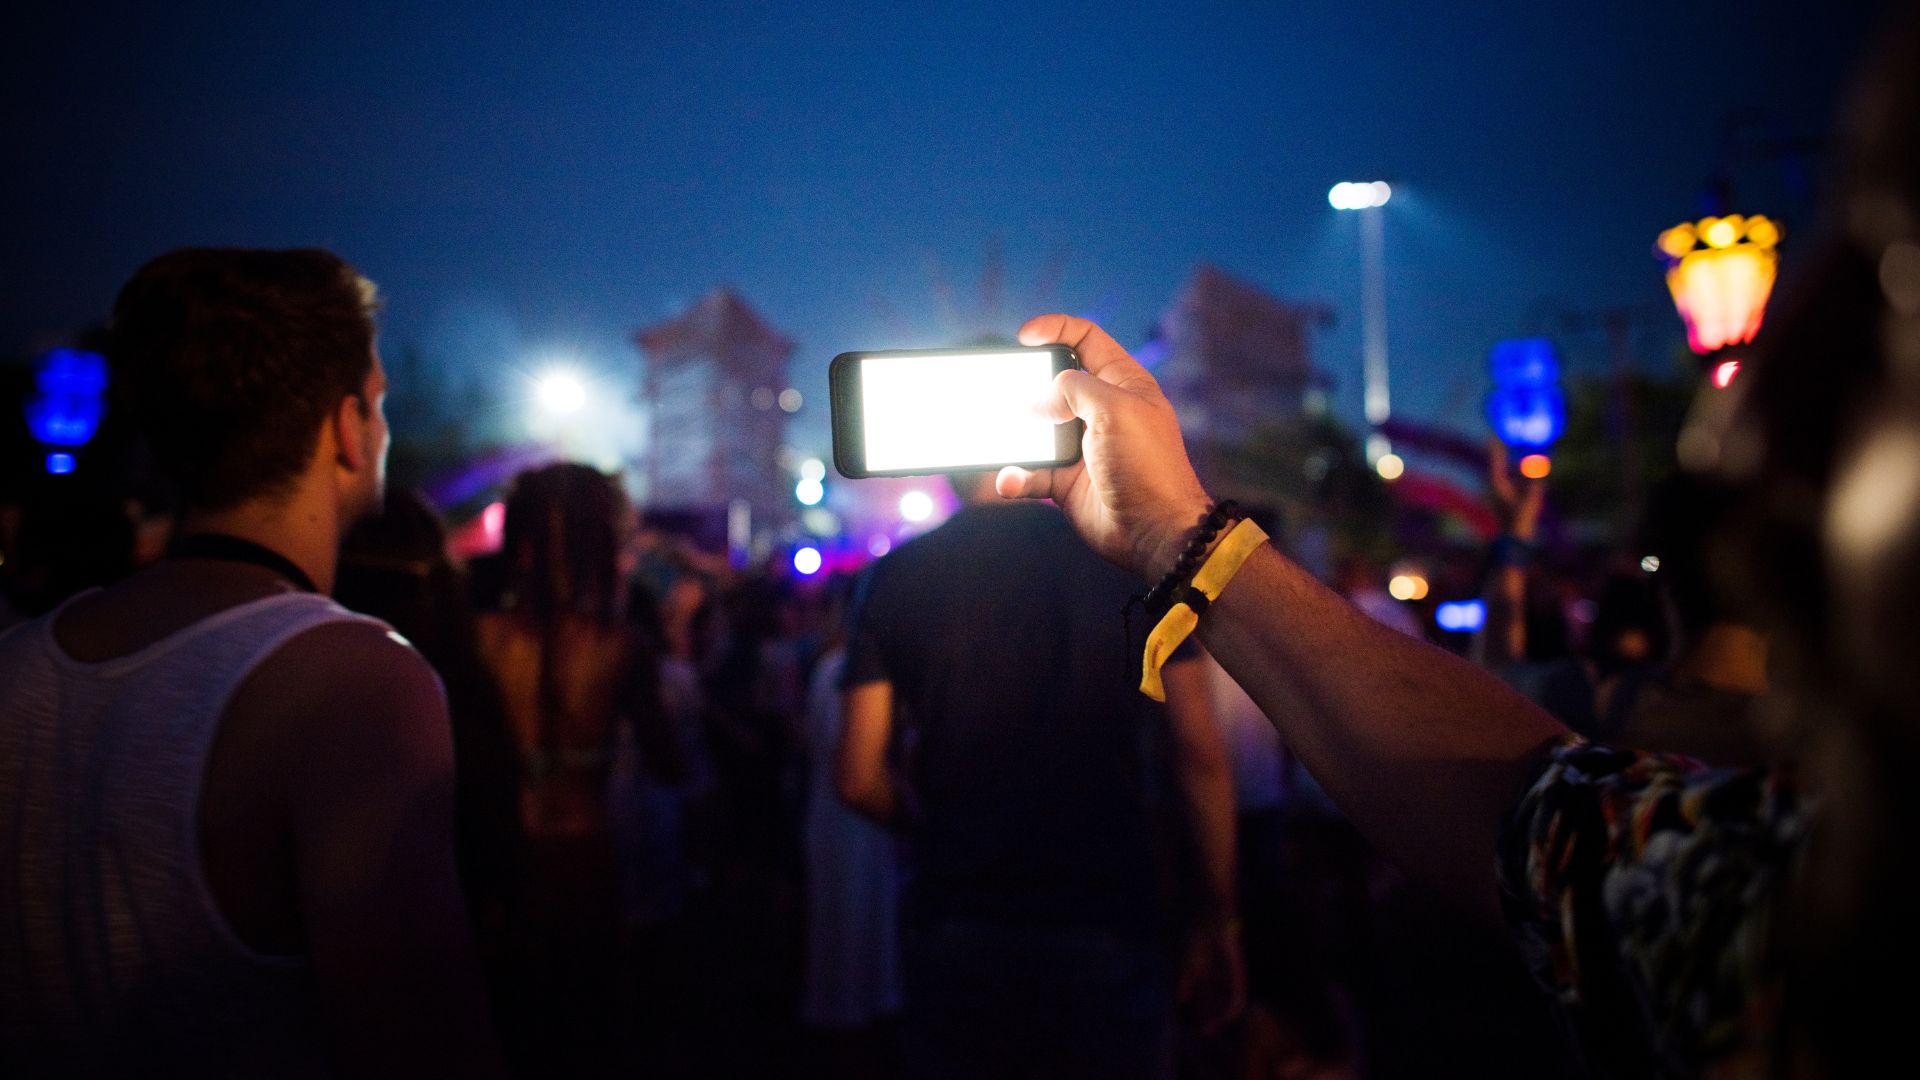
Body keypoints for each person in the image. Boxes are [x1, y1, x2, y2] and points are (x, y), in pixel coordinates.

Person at [0, 248, 503, 1076]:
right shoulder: (353, 683)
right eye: (379, 403)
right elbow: (427, 1044)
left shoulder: (17, 662)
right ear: (348, 427)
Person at [837, 467, 1243, 1079]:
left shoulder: (892, 576)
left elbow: (857, 777)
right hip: (1110, 911)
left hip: (960, 913)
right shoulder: (1129, 568)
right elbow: (1198, 753)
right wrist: (1218, 914)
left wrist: (933, 827)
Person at [473, 460, 660, 1076]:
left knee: (515, 1030)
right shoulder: (622, 645)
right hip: (588, 855)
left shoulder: (480, 639)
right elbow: (669, 761)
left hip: (504, 861)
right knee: (588, 1032)